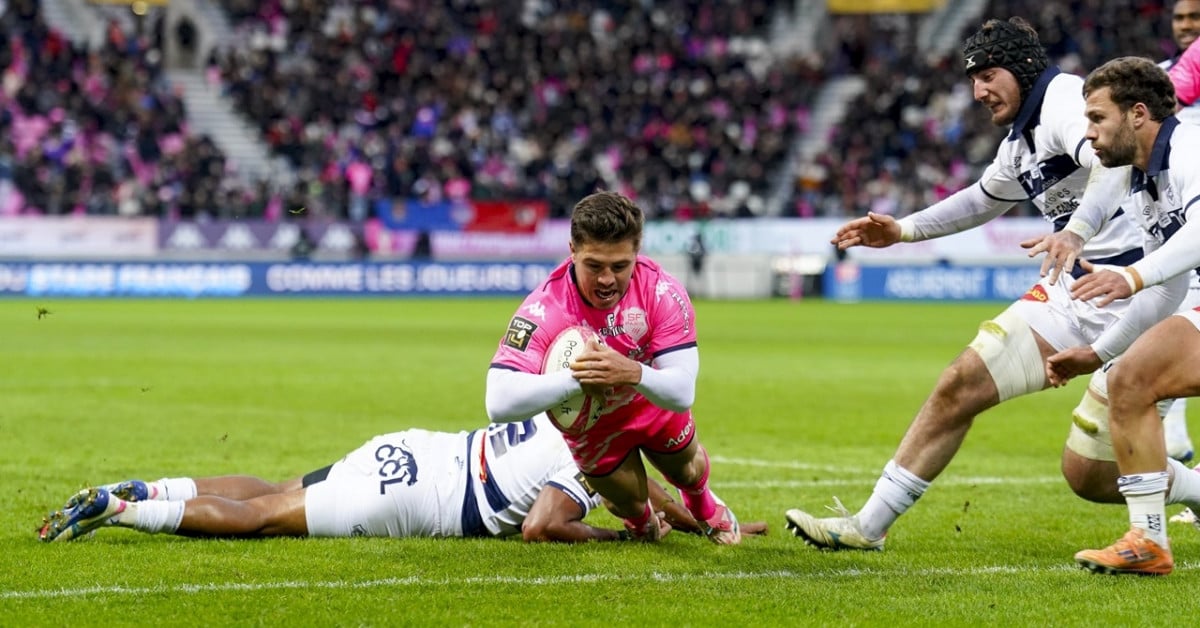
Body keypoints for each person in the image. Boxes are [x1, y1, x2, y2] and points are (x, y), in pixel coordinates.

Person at [784, 18, 1200, 552]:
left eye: (988, 75)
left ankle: (1169, 515)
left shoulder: (1068, 102)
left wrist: (1076, 232)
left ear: (1023, 67)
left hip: (1140, 289)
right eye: (972, 80)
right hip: (1082, 290)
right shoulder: (1020, 139)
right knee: (961, 381)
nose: (978, 91)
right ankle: (869, 525)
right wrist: (904, 230)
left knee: (1091, 474)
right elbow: (984, 197)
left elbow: (1114, 163)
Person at [38, 413, 766, 543]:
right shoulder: (588, 457)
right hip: (416, 496)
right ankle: (123, 511)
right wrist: (615, 538)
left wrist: (714, 521)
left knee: (276, 488)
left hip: (413, 449)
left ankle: (149, 488)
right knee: (266, 519)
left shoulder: (575, 422)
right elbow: (546, 526)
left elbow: (647, 491)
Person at [485, 190, 741, 544]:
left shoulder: (662, 292)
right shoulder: (544, 308)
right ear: (572, 250)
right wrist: (578, 378)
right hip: (593, 425)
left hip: (651, 403)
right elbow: (498, 402)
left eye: (620, 266)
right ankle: (641, 522)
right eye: (594, 265)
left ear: (637, 253)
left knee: (685, 467)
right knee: (628, 501)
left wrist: (632, 372)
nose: (607, 279)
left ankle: (702, 504)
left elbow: (682, 391)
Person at [1031, 58, 1200, 575]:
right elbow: (1166, 291)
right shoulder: (1144, 180)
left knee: (1132, 380)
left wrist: (1131, 276)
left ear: (1139, 114)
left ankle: (1148, 540)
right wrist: (1098, 352)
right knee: (1128, 377)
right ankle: (1148, 540)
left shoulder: (1190, 148)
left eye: (1098, 119)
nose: (1090, 136)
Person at [1155, 0, 1200, 464]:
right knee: (1175, 322)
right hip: (1177, 225)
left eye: (1196, 18)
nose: (1187, 26)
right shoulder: (1157, 81)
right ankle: (1176, 442)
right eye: (1181, 18)